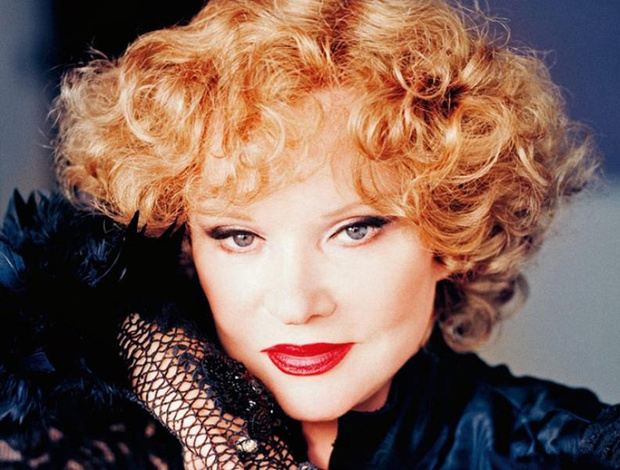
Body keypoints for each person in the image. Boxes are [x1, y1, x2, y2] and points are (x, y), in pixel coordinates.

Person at [1, 0, 618, 468]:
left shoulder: (573, 451)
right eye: (237, 236)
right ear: (188, 245)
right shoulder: (96, 446)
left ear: (451, 231)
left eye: (355, 229)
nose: (296, 305)